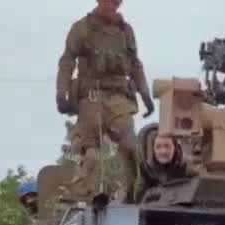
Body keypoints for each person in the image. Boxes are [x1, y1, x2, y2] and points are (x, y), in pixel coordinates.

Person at [56, 0, 155, 203]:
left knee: (131, 146)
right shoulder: (82, 28)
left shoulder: (125, 31)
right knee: (88, 151)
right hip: (91, 98)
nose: (112, 6)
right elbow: (67, 60)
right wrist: (61, 93)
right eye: (108, 2)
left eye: (116, 3)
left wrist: (146, 95)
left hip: (119, 98)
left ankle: (135, 193)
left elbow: (135, 64)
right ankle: (82, 192)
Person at [138, 126, 195, 197]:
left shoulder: (188, 169)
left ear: (175, 148)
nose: (163, 151)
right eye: (158, 147)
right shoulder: (145, 170)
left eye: (167, 146)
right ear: (153, 150)